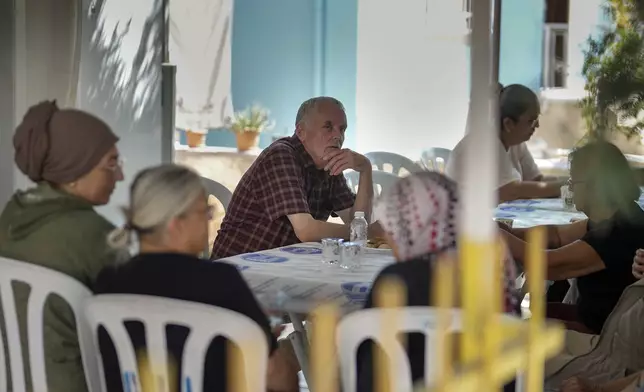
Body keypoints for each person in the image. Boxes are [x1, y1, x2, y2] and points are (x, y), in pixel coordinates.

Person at [96, 164, 300, 392]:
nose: (209, 220)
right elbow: (275, 375)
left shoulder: (108, 281)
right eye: (205, 212)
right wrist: (260, 334)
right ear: (177, 225)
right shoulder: (221, 281)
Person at [354, 171, 519, 392]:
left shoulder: (399, 279)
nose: (390, 238)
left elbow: (370, 371)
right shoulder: (495, 270)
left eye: (391, 228)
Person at [0, 100, 124, 392]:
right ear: (74, 172)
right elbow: (131, 320)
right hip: (76, 383)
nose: (119, 175)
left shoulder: (10, 216)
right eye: (110, 164)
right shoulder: (95, 235)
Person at [500, 141, 644, 334]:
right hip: (599, 319)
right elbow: (557, 235)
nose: (571, 189)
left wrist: (498, 236)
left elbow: (547, 265)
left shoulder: (620, 232)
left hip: (605, 336)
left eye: (573, 183)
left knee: (512, 331)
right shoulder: (618, 215)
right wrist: (509, 232)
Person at [211, 96, 382, 259]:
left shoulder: (328, 162)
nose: (338, 136)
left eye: (342, 129)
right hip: (237, 268)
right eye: (328, 127)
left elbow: (357, 221)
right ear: (301, 132)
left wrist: (365, 169)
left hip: (283, 264)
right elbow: (306, 230)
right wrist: (372, 231)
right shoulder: (281, 155)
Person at [446, 83, 564, 203]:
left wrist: (570, 181)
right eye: (531, 121)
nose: (537, 126)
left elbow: (536, 180)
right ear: (508, 124)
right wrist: (567, 187)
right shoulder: (486, 143)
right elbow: (513, 191)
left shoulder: (515, 141)